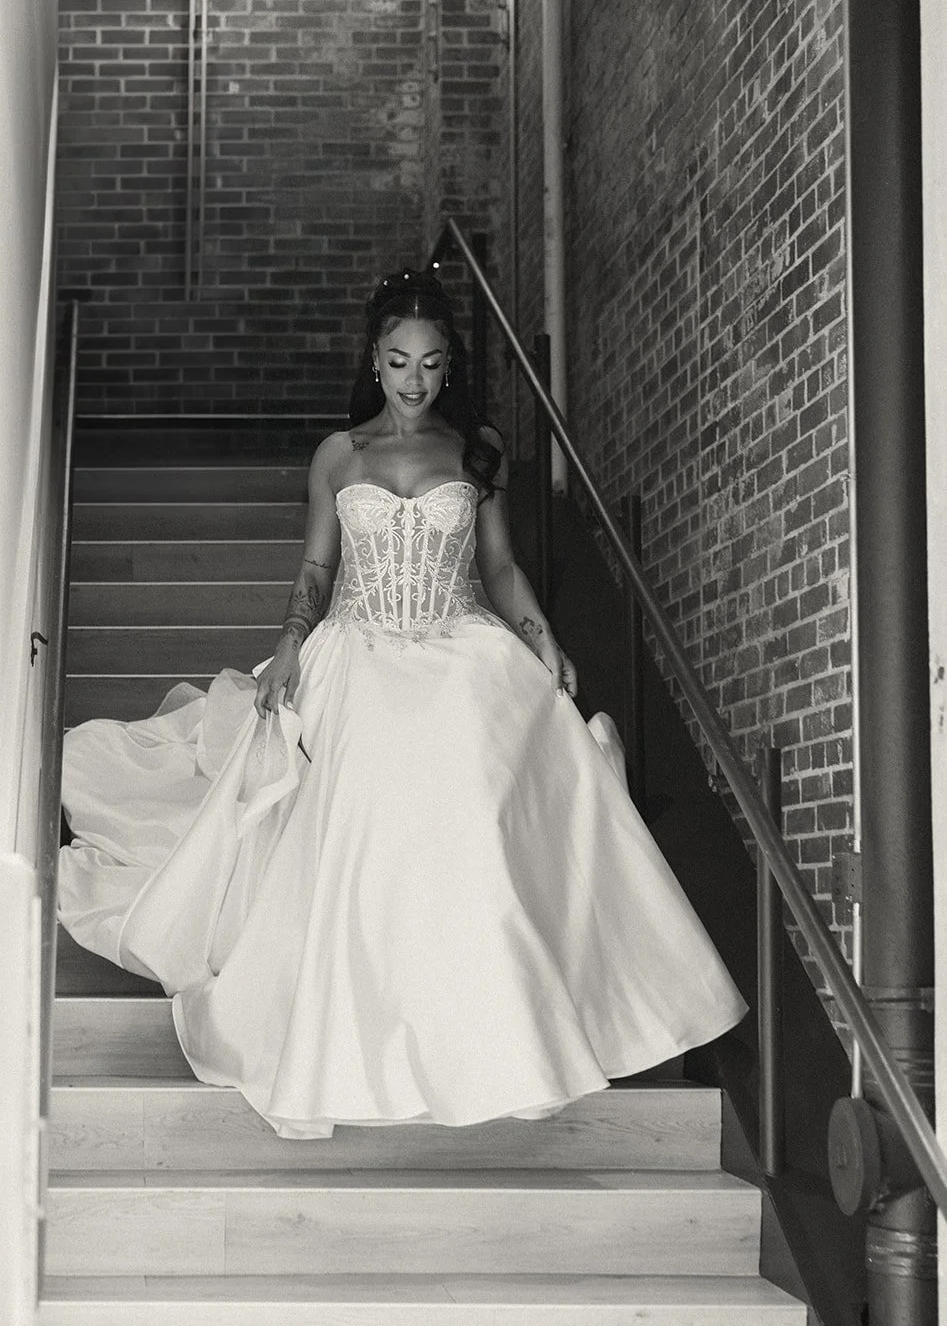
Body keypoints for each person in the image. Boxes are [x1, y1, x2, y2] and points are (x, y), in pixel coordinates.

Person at [59, 266, 746, 1140]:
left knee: (480, 822)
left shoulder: (475, 449)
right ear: (374, 363)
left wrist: (542, 637)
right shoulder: (339, 456)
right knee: (360, 838)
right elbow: (318, 567)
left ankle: (500, 1037)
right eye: (397, 362)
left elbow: (496, 570)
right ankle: (354, 1040)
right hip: (358, 652)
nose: (413, 380)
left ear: (447, 365)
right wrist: (286, 645)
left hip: (462, 654)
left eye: (429, 363)